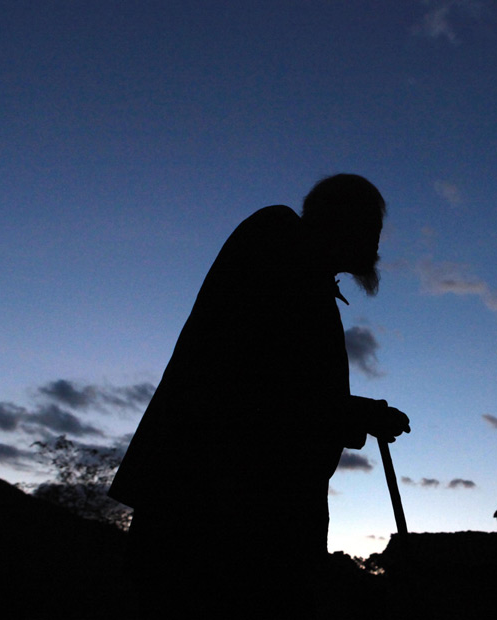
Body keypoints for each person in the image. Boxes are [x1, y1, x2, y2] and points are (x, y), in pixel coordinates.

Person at [109, 173, 410, 618]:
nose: (377, 244)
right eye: (373, 229)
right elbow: (251, 383)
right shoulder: (276, 241)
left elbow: (278, 382)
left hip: (244, 519)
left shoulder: (302, 273)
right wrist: (354, 413)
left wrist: (353, 413)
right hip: (217, 518)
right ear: (344, 222)